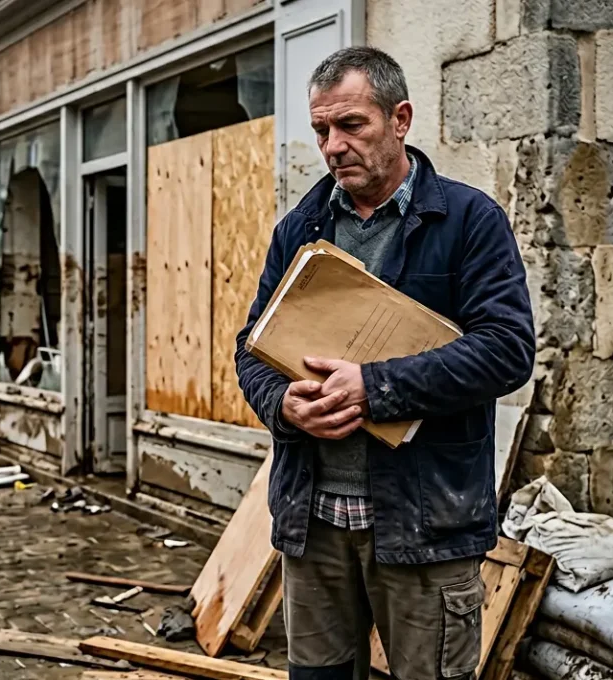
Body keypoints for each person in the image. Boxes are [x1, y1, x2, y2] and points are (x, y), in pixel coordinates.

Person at [234, 47, 534, 680]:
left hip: (425, 526)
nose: (334, 146)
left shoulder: (469, 220)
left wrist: (376, 388)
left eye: (351, 125)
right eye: (321, 131)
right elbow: (251, 349)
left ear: (400, 119)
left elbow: (507, 349)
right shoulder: (301, 227)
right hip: (315, 524)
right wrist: (283, 406)